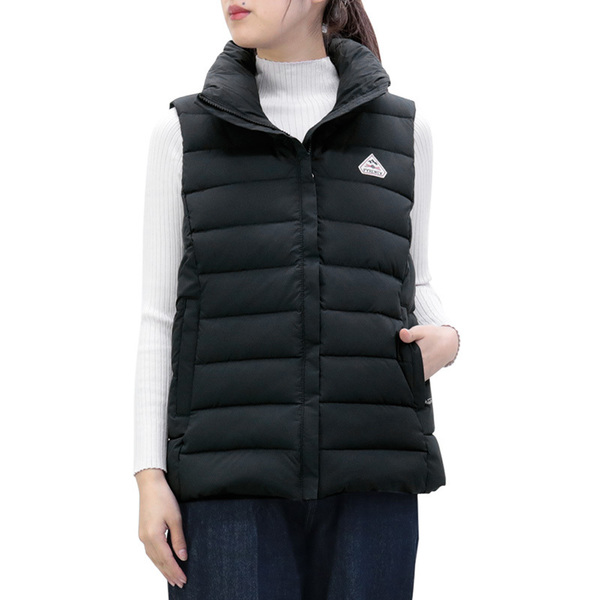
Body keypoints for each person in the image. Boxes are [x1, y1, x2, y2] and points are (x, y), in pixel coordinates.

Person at [134, 1, 460, 598]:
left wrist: (450, 337)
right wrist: (149, 476)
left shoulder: (403, 130)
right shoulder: (184, 132)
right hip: (228, 484)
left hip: (372, 471)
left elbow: (415, 279)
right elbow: (161, 318)